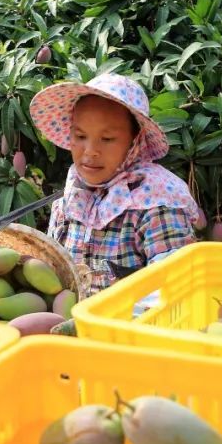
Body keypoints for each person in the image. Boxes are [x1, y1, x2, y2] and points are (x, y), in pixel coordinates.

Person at [29, 73, 200, 297]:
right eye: (80, 136)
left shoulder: (157, 204)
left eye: (107, 139)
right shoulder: (70, 200)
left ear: (135, 141)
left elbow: (174, 287)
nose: (90, 151)